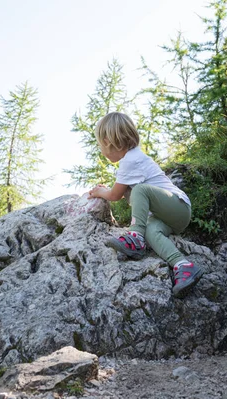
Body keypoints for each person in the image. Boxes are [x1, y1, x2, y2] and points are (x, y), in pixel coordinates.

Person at [88, 112, 203, 298]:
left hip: (179, 206)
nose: (101, 150)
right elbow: (126, 195)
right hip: (171, 217)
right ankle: (183, 266)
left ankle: (135, 238)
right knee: (151, 231)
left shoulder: (130, 160)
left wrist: (100, 192)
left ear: (108, 141)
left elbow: (114, 195)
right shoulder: (133, 159)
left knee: (140, 190)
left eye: (100, 145)